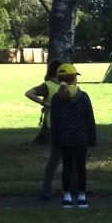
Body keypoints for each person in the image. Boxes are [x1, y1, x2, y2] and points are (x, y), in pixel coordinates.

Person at [49, 64, 96, 208]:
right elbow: (89, 119)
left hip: (64, 137)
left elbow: (54, 121)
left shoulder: (56, 98)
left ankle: (67, 196)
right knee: (81, 167)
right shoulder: (83, 96)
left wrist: (55, 140)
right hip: (81, 137)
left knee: (67, 167)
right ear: (75, 78)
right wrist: (92, 137)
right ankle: (82, 197)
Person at [24, 59, 69, 201]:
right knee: (54, 159)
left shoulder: (65, 85)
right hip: (54, 128)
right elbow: (29, 93)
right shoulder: (48, 85)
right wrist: (45, 103)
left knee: (71, 158)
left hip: (68, 127)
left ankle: (74, 187)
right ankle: (46, 189)